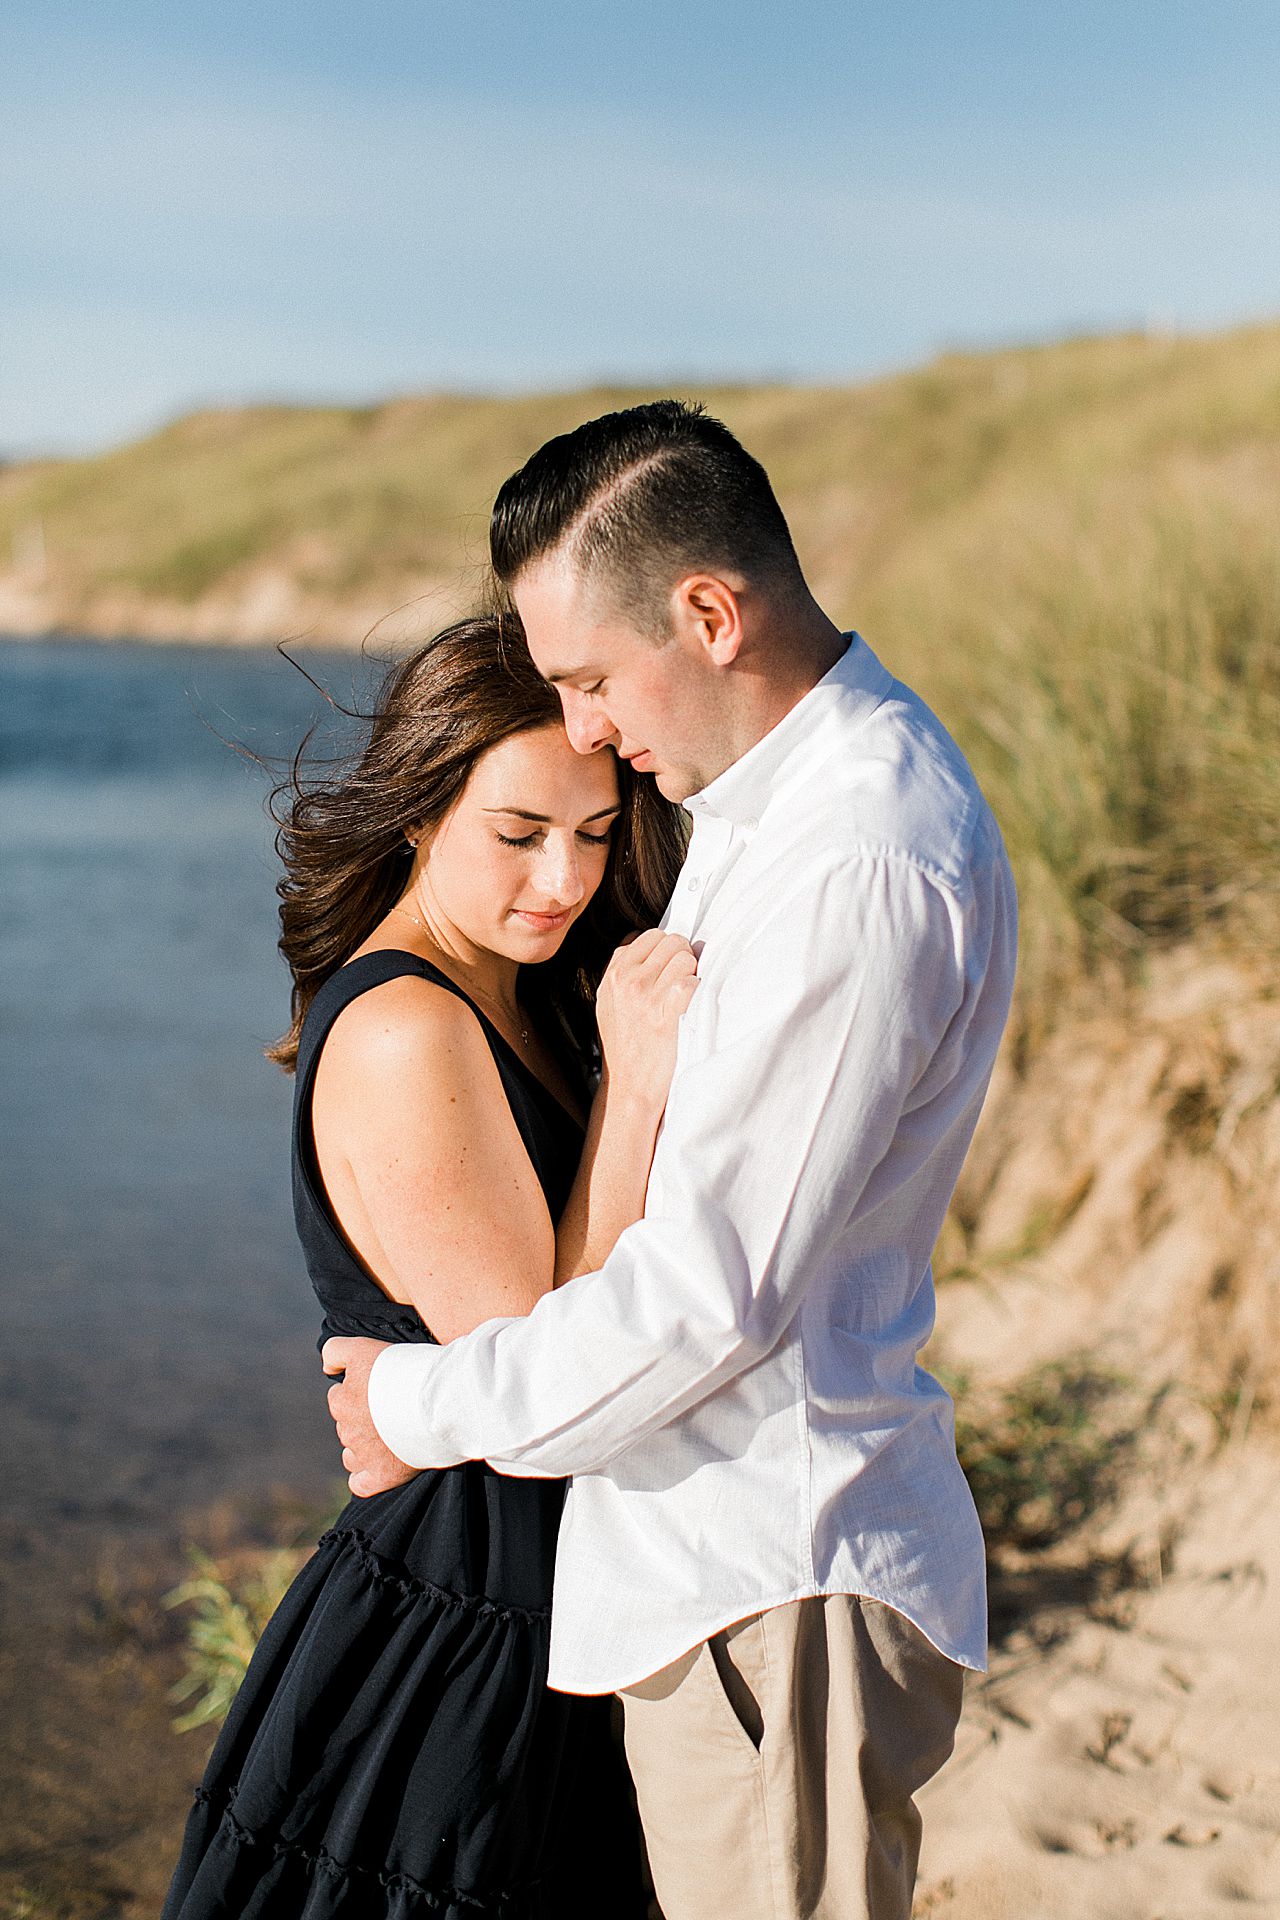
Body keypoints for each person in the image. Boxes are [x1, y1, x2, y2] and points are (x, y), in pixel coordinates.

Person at [327, 402, 1020, 1920]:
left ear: (709, 612)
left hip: (777, 1580)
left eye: (587, 677)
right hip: (724, 1580)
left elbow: (713, 1298)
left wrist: (417, 1402)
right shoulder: (760, 815)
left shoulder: (856, 859)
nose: (581, 729)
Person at [163, 614, 691, 1919]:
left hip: (540, 1605)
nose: (562, 881)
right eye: (519, 834)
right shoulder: (408, 1024)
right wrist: (631, 1090)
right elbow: (547, 1382)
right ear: (419, 810)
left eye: (595, 833)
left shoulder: (521, 989)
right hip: (463, 1640)